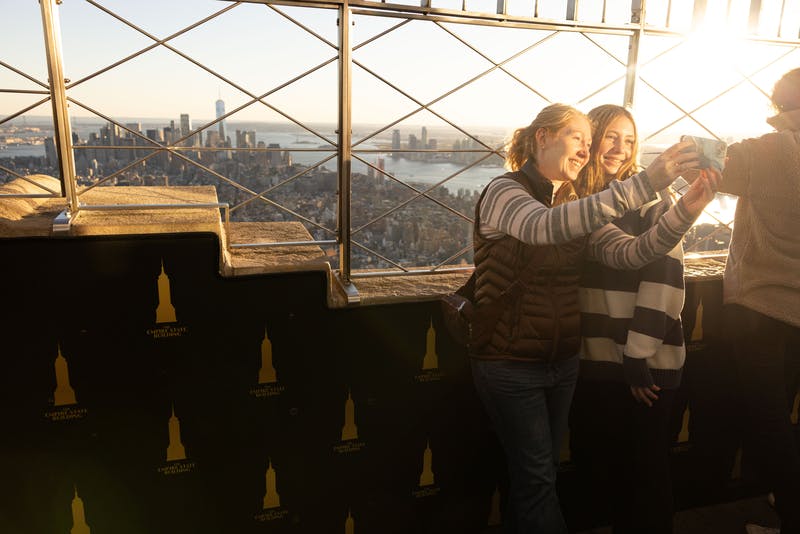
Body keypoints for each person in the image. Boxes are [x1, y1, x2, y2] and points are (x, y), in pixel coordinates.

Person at [468, 103, 719, 533]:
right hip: (512, 362)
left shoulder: (575, 203)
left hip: (563, 363)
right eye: (579, 138)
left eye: (588, 140)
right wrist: (647, 182)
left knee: (538, 478)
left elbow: (630, 253)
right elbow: (544, 228)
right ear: (541, 137)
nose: (586, 150)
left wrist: (685, 212)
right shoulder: (505, 193)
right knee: (538, 479)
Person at [569, 104, 694, 534]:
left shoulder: (656, 198)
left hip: (644, 364)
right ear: (589, 141)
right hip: (595, 360)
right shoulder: (579, 204)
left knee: (645, 477)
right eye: (610, 137)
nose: (619, 149)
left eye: (628, 139)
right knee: (599, 474)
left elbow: (666, 276)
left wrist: (638, 354)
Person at [717, 67, 800, 534]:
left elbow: (700, 167)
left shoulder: (761, 153)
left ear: (776, 104)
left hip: (760, 308)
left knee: (769, 422)